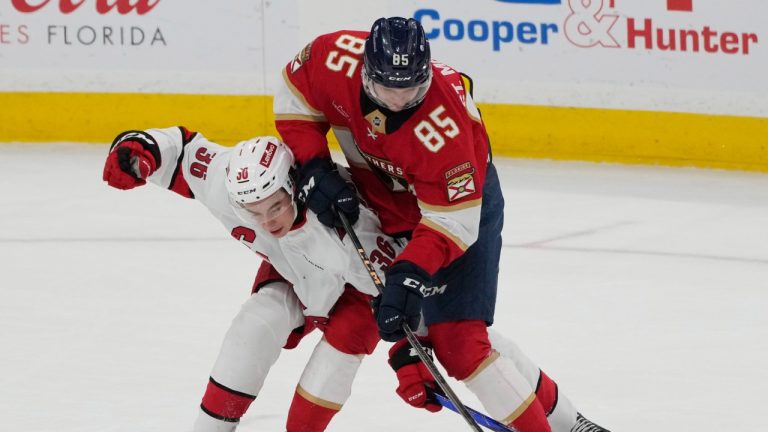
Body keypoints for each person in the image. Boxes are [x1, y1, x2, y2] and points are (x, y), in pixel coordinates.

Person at [274, 17, 610, 432]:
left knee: (462, 346)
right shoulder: (332, 57)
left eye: (410, 90)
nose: (397, 102)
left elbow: (451, 223)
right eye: (386, 89)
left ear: (427, 76)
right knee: (361, 322)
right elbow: (295, 100)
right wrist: (312, 163)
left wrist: (410, 276)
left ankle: (563, 423)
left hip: (459, 212)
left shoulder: (444, 130)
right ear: (364, 71)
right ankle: (566, 421)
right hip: (383, 203)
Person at [101, 127, 404, 431]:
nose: (268, 222)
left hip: (361, 288)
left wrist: (413, 359)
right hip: (294, 266)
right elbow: (181, 150)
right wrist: (137, 150)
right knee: (258, 321)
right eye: (253, 212)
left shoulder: (348, 230)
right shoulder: (226, 183)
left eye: (276, 206)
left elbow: (402, 299)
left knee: (329, 371)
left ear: (293, 185)